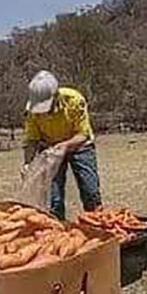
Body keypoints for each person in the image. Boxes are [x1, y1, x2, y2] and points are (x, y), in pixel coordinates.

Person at [22, 70, 102, 219]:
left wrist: (65, 145)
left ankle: (98, 225)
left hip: (79, 145)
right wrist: (27, 163)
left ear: (56, 97)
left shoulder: (74, 100)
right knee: (54, 198)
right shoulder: (32, 111)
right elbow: (32, 139)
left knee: (90, 190)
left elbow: (83, 135)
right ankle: (57, 230)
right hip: (50, 148)